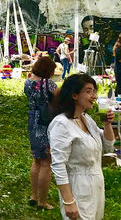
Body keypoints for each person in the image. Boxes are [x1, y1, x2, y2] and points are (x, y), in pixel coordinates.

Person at [48, 74, 115, 220]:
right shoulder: (61, 124)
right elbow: (58, 165)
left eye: (94, 92)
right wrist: (68, 201)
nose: (94, 96)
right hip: (78, 187)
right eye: (88, 91)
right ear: (74, 95)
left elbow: (108, 146)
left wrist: (107, 124)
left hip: (96, 184)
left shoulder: (86, 119)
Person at [24, 56, 58, 211]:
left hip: (33, 120)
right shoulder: (48, 84)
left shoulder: (28, 81)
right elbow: (60, 98)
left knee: (36, 160)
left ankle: (33, 196)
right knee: (46, 163)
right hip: (46, 122)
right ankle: (42, 202)